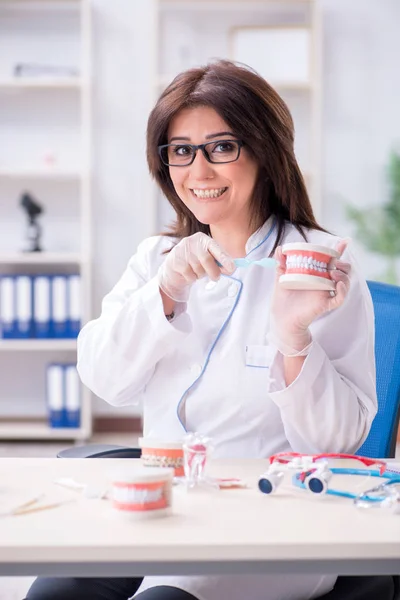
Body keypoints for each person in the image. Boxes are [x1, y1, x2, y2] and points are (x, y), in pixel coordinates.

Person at [26, 60, 377, 600]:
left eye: (221, 147)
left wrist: (293, 338)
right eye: (181, 150)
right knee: (54, 594)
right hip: (162, 506)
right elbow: (104, 379)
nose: (199, 170)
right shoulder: (156, 259)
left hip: (271, 523)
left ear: (265, 151)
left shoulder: (318, 266)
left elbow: (337, 442)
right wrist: (165, 292)